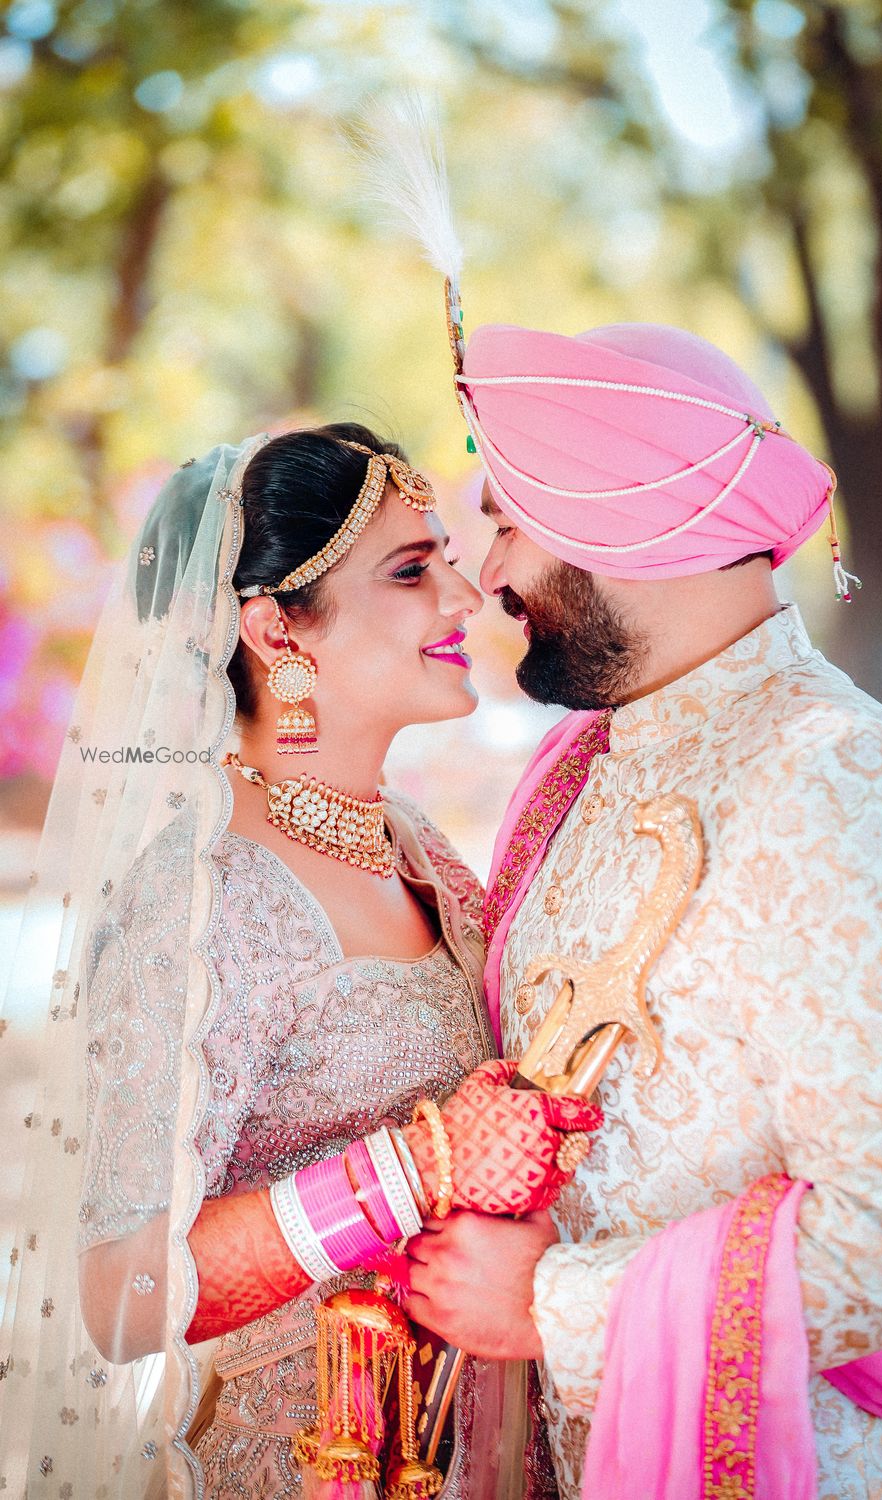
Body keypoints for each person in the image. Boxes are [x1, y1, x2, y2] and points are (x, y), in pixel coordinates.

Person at [404, 320, 882, 1499]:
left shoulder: (835, 776)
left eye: (509, 520)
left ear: (614, 519)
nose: (489, 573)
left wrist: (549, 1304)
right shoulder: (585, 759)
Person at [0, 422, 601, 1499]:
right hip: (311, 1465)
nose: (464, 599)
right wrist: (414, 1169)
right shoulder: (199, 895)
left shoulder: (414, 844)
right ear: (277, 627)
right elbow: (123, 1291)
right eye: (413, 571)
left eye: (448, 562)